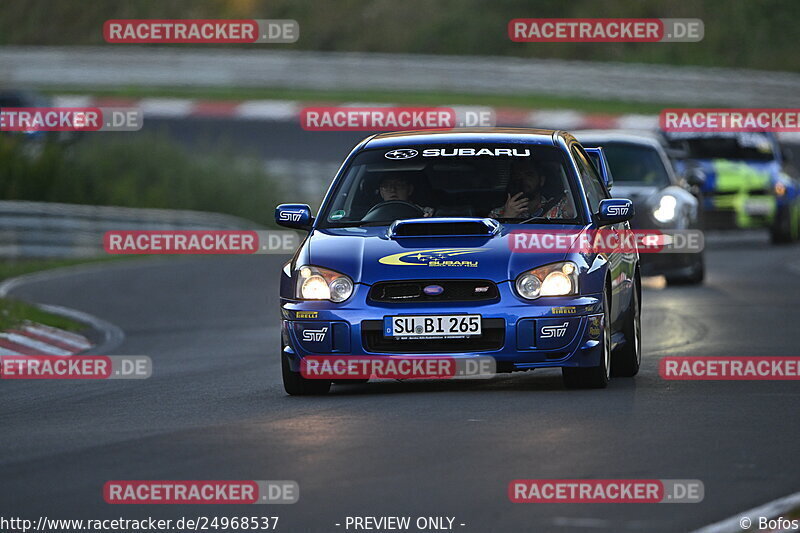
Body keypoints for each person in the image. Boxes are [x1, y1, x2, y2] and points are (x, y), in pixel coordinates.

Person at [489, 161, 573, 219]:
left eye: (529, 175)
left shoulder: (560, 207)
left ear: (541, 180)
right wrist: (507, 217)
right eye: (517, 175)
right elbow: (493, 242)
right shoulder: (497, 214)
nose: (522, 179)